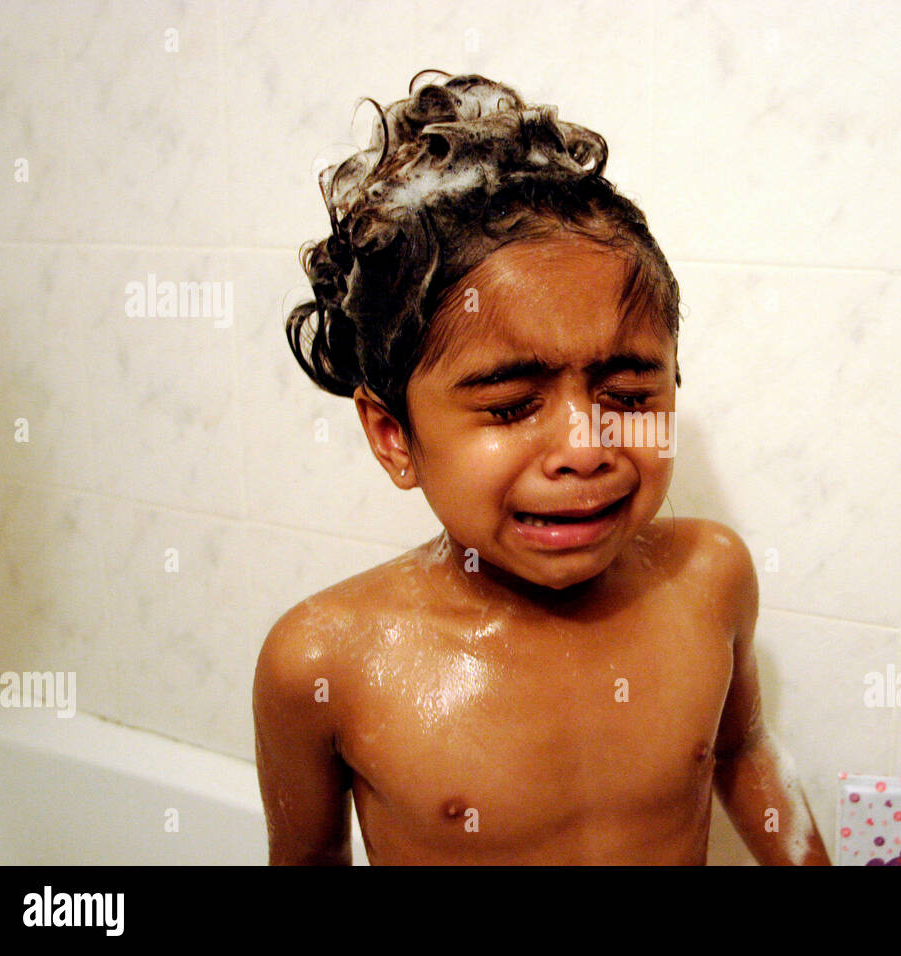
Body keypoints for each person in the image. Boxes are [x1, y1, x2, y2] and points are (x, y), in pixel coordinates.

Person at [253, 69, 830, 865]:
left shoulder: (710, 577)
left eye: (628, 393)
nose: (585, 449)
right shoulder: (325, 663)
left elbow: (741, 751)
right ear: (394, 436)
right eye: (513, 405)